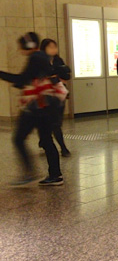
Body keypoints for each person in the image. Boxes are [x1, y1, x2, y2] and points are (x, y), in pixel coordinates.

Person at [0, 32, 63, 186]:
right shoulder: (42, 57)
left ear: (28, 45)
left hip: (36, 108)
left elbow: (22, 79)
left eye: (21, 46)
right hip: (46, 106)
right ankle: (55, 175)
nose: (19, 49)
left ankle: (30, 173)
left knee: (19, 139)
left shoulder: (35, 58)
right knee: (47, 140)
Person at [39, 38, 71, 157]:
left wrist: (58, 76)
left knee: (56, 122)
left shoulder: (58, 60)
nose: (53, 49)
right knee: (51, 123)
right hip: (45, 95)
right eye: (50, 47)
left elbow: (66, 76)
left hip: (58, 94)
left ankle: (47, 142)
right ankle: (62, 147)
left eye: (54, 47)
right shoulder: (39, 61)